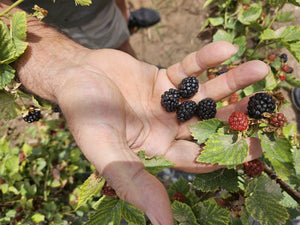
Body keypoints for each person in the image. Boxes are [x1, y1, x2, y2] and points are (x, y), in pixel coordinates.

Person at [1, 1, 270, 224]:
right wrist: (65, 65)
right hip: (36, 18)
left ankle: (126, 23)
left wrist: (120, 13)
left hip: (94, 9)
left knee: (117, 46)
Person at [12, 0, 161, 57]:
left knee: (118, 15)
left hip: (103, 6)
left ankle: (127, 20)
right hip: (80, 16)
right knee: (118, 49)